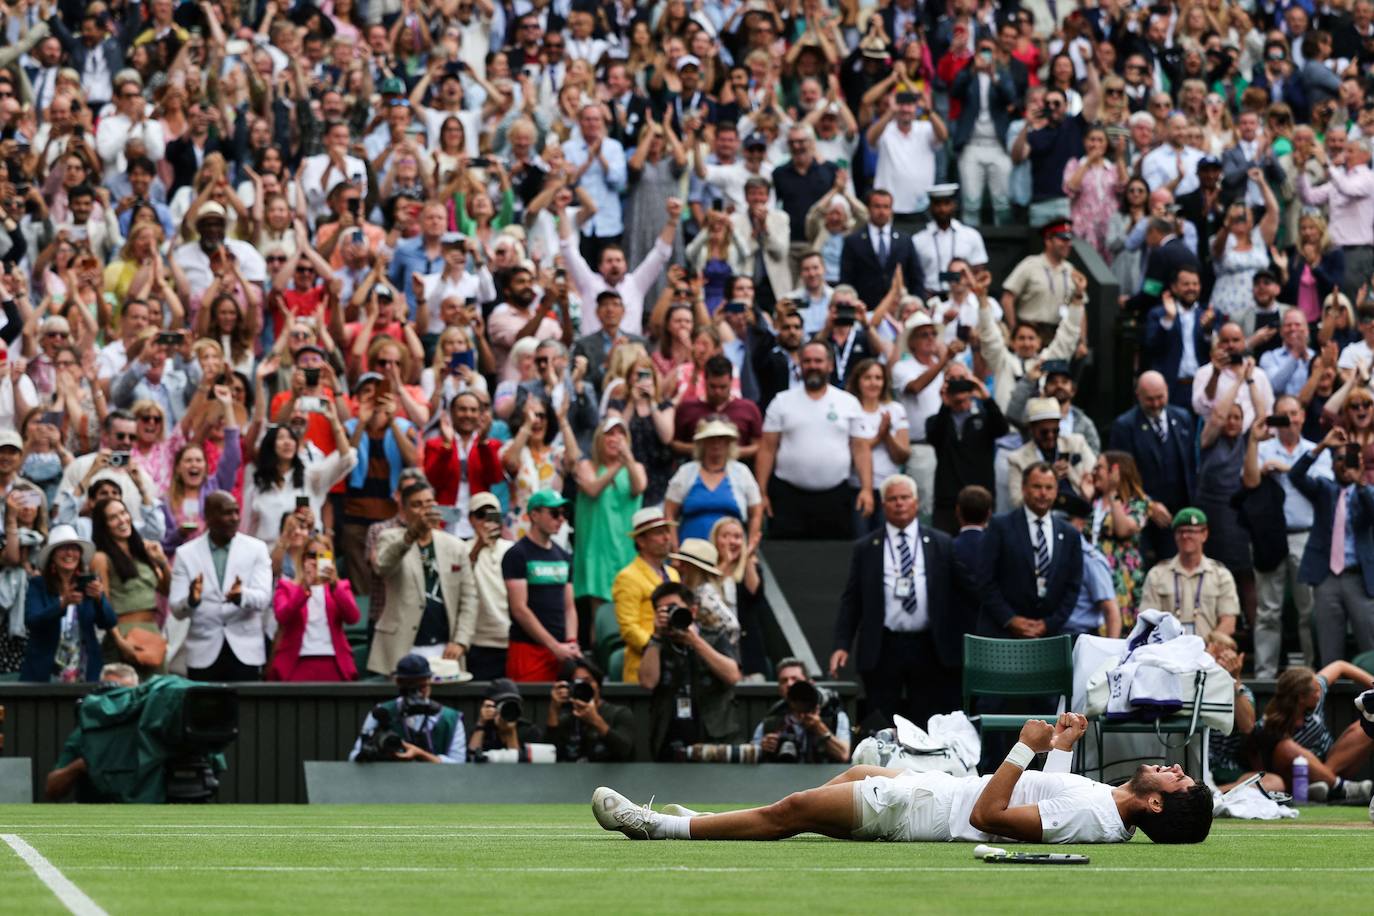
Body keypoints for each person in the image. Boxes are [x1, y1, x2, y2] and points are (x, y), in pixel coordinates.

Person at [592, 716, 1213, 845]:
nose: (1177, 768)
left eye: (1179, 781)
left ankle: (660, 826)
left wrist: (1024, 749)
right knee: (857, 770)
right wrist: (1059, 751)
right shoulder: (1107, 809)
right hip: (930, 792)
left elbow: (990, 819)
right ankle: (730, 822)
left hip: (925, 812)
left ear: (1156, 804)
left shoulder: (1100, 819)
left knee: (792, 811)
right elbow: (1045, 801)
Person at [831, 474, 965, 727]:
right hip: (884, 646)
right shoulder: (866, 547)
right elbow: (852, 599)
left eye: (904, 498)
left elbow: (962, 593)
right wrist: (842, 644)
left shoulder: (941, 543)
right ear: (883, 506)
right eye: (892, 499)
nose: (899, 503)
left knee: (928, 719)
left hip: (929, 645)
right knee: (881, 719)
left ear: (916, 502)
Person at [756, 341, 871, 540]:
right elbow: (767, 449)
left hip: (835, 498)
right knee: (788, 558)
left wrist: (867, 489)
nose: (813, 366)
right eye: (807, 361)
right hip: (787, 498)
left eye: (818, 361)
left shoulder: (848, 402)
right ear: (800, 365)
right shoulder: (781, 401)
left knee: (832, 559)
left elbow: (860, 449)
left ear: (830, 365)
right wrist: (761, 492)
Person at [367, 480, 478, 677]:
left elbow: (469, 597)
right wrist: (410, 535)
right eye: (417, 505)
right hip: (402, 647)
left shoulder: (455, 546)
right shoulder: (390, 537)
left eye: (429, 503)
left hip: (446, 648)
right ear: (404, 509)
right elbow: (382, 567)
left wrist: (461, 641)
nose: (425, 510)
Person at [1253, 396, 1329, 676]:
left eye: (1294, 413)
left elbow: (1324, 486)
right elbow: (1247, 480)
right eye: (1282, 414)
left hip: (1306, 535)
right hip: (1270, 536)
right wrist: (1259, 460)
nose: (1289, 419)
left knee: (1308, 609)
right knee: (1268, 611)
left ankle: (1309, 674)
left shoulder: (1316, 449)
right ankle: (1263, 674)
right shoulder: (1263, 448)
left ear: (1303, 416)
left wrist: (1287, 468)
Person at [1290, 426, 1374, 665]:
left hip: (1359, 579)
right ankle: (1331, 701)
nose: (1344, 464)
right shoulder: (1325, 490)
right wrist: (1321, 446)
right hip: (1327, 578)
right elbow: (1295, 476)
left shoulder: (1366, 492)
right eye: (1339, 459)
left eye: (1351, 460)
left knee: (1371, 645)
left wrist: (1360, 483)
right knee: (1329, 651)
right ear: (1331, 463)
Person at [168, 493, 272, 682]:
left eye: (236, 512)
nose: (234, 519)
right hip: (202, 653)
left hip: (245, 652)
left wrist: (241, 596)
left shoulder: (256, 549)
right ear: (208, 516)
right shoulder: (186, 554)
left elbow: (263, 598)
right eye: (227, 513)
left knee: (244, 711)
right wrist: (191, 600)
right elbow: (176, 609)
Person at [639, 581, 743, 761]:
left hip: (715, 737)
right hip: (669, 739)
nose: (669, 614)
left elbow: (732, 675)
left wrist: (695, 641)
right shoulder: (656, 645)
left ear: (693, 610)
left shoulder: (714, 636)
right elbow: (648, 682)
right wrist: (656, 636)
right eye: (662, 610)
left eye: (673, 608)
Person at [978, 463, 1084, 638]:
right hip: (1003, 635)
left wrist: (1049, 623)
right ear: (1024, 488)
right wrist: (1010, 619)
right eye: (1037, 486)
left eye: (1049, 487)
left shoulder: (1070, 534)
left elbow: (1073, 586)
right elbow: (985, 581)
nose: (1043, 493)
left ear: (1056, 490)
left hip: (1049, 636)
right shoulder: (1000, 526)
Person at [1254, 661, 1374, 803]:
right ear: (1301, 698)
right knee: (1287, 748)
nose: (1319, 692)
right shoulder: (1268, 724)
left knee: (1368, 725)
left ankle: (1327, 787)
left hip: (1331, 764)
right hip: (1293, 777)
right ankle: (1338, 787)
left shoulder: (1314, 695)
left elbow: (1341, 665)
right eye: (1315, 691)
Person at [89, 497, 171, 680]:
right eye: (113, 518)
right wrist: (119, 641)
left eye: (123, 513)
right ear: (104, 526)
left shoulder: (143, 551)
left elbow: (168, 591)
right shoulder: (101, 558)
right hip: (124, 634)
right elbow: (104, 605)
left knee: (159, 697)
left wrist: (163, 562)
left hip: (152, 633)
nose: (122, 520)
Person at [21, 525, 115, 683]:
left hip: (84, 671)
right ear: (52, 556)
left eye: (74, 548)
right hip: (44, 673)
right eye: (63, 549)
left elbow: (109, 622)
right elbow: (32, 621)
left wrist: (100, 599)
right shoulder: (38, 585)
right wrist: (62, 604)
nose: (70, 553)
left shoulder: (88, 584)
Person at [502, 489, 579, 681]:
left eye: (563, 513)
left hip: (561, 651)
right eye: (554, 513)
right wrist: (554, 646)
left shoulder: (563, 556)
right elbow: (519, 609)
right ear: (534, 515)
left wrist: (571, 642)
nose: (560, 519)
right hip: (528, 649)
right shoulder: (517, 554)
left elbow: (569, 607)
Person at [573, 417, 645, 607]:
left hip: (626, 548)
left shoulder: (636, 468)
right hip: (597, 549)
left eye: (621, 433)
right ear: (599, 439)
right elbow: (592, 489)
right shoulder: (586, 466)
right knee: (600, 613)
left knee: (628, 606)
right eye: (610, 434)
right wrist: (617, 465)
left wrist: (627, 461)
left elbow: (638, 487)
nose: (616, 438)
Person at [268, 534, 361, 682]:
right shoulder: (287, 586)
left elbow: (353, 618)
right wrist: (304, 587)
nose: (317, 560)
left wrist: (334, 586)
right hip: (296, 662)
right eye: (312, 555)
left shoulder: (341, 587)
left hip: (334, 662)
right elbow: (282, 616)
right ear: (303, 558)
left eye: (323, 555)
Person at [1138, 508, 1241, 639]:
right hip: (1168, 651)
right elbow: (1148, 620)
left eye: (1192, 531)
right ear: (1175, 536)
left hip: (1208, 650)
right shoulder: (1157, 574)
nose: (1185, 536)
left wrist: (1209, 645)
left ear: (1204, 534)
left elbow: (1228, 622)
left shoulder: (1221, 575)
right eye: (1181, 531)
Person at [348, 654, 466, 763]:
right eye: (411, 687)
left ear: (429, 680)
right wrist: (372, 754)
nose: (418, 693)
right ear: (399, 683)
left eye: (422, 686)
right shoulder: (383, 712)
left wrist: (421, 754)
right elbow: (354, 756)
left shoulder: (450, 719)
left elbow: (458, 765)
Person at [665, 418, 763, 546]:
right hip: (690, 551)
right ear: (702, 443)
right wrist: (674, 549)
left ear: (729, 443)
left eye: (721, 439)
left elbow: (756, 512)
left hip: (731, 549)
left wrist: (750, 547)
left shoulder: (741, 472)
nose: (716, 443)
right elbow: (669, 512)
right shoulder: (686, 472)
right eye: (711, 439)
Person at [457, 493, 515, 680]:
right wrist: (479, 547)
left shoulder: (512, 549)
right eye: (481, 515)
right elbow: (457, 581)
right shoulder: (461, 548)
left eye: (493, 515)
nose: (487, 521)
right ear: (471, 519)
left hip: (510, 638)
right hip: (478, 640)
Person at [753, 658, 850, 763]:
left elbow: (844, 754)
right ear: (779, 688)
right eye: (784, 680)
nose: (789, 684)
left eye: (795, 680)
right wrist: (763, 747)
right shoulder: (773, 718)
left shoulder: (833, 715)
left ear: (810, 684)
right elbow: (751, 750)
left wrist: (820, 729)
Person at [543, 657, 636, 762]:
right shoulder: (567, 720)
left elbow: (625, 751)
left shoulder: (619, 714)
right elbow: (547, 755)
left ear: (598, 685)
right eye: (578, 683)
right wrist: (554, 710)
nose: (584, 687)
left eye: (588, 681)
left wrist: (596, 721)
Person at [1057, 493, 1122, 639]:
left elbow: (1111, 612)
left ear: (1080, 525)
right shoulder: (1051, 554)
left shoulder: (1090, 560)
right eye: (1056, 520)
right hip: (1050, 636)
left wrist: (1111, 656)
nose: (1059, 525)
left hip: (1080, 637)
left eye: (1066, 521)